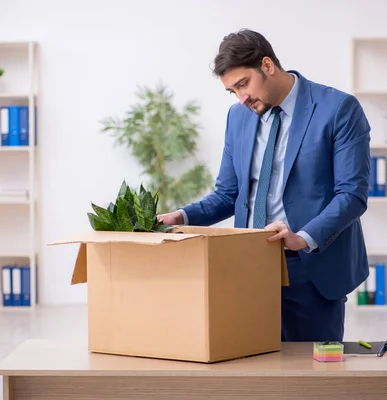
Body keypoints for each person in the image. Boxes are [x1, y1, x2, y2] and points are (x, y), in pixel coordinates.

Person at [158, 29, 371, 342]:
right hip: (249, 264)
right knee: (252, 372)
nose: (241, 98)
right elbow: (228, 195)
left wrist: (302, 237)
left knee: (310, 379)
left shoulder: (338, 109)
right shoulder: (238, 117)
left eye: (243, 84)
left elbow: (352, 194)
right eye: (232, 91)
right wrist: (180, 217)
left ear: (268, 66)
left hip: (310, 265)